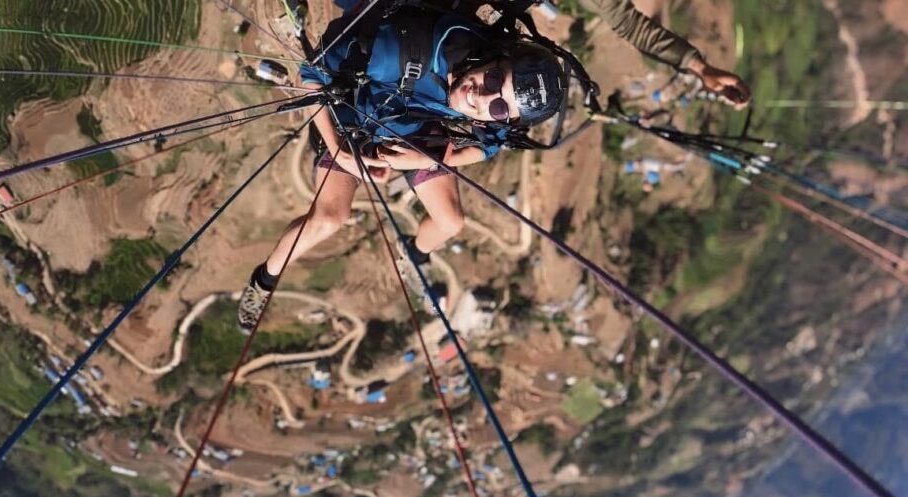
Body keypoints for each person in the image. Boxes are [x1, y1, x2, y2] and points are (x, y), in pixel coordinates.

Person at [236, 0, 750, 333]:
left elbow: (624, 20)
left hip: (422, 113)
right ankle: (264, 280)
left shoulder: (486, 98)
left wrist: (696, 65)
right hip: (369, 95)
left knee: (451, 221)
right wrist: (345, 149)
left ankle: (413, 257)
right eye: (494, 93)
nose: (488, 100)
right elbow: (316, 79)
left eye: (499, 105)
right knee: (329, 219)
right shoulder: (426, 60)